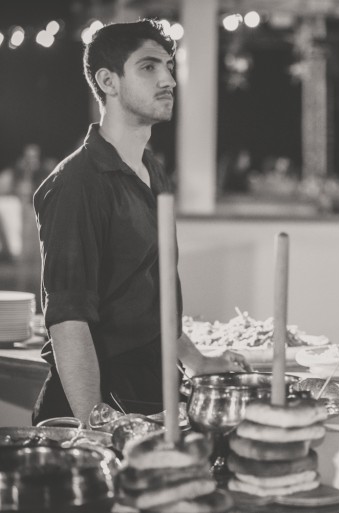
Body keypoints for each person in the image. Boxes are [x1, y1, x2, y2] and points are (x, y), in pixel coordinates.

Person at [32, 20, 248, 425]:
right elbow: (68, 321)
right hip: (100, 398)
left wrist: (198, 361)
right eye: (148, 67)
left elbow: (153, 298)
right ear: (108, 82)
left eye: (169, 66)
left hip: (152, 387)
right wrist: (94, 425)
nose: (168, 79)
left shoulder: (152, 169)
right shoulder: (77, 183)